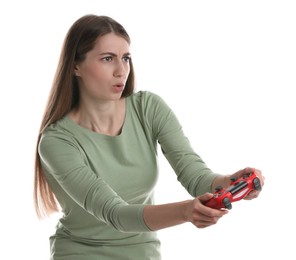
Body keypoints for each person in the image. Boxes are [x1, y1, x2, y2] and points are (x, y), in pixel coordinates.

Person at [33, 14, 265, 260]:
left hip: (144, 253)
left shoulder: (148, 108)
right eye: (107, 59)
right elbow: (116, 214)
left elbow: (195, 176)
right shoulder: (56, 142)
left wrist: (230, 183)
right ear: (75, 66)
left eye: (126, 58)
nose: (121, 71)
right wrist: (186, 212)